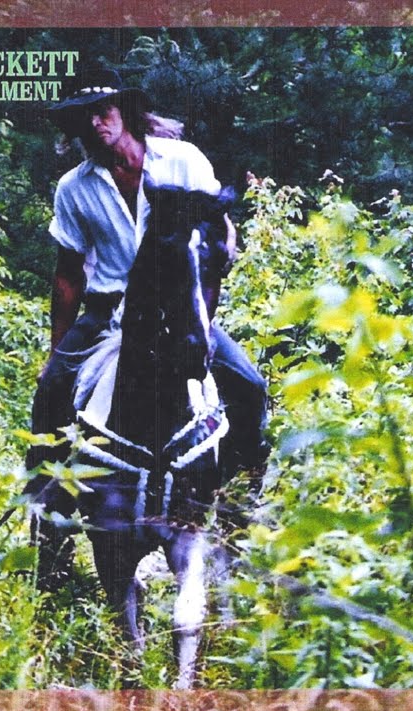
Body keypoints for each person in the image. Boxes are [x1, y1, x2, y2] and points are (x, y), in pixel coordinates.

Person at [23, 68, 269, 591]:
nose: (96, 123)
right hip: (108, 310)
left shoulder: (183, 160)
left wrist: (204, 311)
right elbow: (69, 273)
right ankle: (49, 529)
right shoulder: (73, 188)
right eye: (83, 118)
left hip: (179, 308)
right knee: (50, 395)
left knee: (249, 386)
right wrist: (57, 351)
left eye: (103, 110)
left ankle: (238, 508)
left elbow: (217, 237)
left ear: (125, 111)